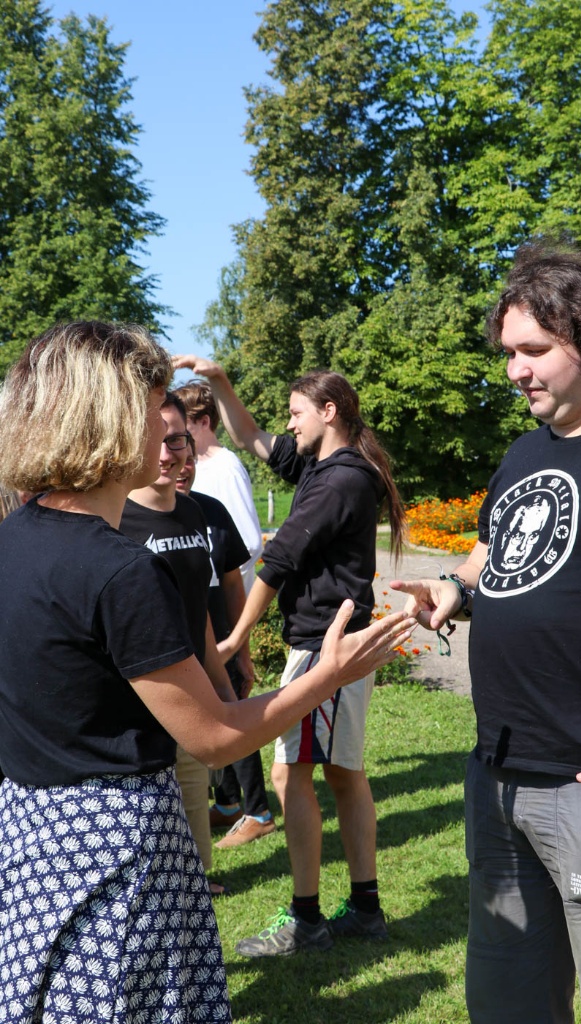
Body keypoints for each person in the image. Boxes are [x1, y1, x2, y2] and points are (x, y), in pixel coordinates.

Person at [0, 321, 414, 1022]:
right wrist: (328, 674)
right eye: (152, 411)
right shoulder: (117, 569)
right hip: (116, 857)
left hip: (32, 843)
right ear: (107, 419)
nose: (167, 432)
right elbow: (217, 739)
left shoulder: (17, 536)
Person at [392, 242, 581, 1024]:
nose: (515, 370)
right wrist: (453, 588)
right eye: (508, 354)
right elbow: (494, 551)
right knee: (506, 1005)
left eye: (533, 350)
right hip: (498, 782)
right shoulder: (526, 451)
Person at [172, 354, 405, 957]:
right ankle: (366, 908)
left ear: (330, 412)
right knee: (343, 773)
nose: (290, 424)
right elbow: (252, 437)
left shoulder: (338, 480)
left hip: (325, 646)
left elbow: (277, 562)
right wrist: (219, 380)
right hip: (335, 642)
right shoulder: (320, 464)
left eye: (298, 413)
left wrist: (233, 639)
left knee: (289, 773)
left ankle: (307, 920)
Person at [119, 390, 238, 888]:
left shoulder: (192, 513)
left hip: (193, 698)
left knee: (195, 845)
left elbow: (197, 607)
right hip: (138, 711)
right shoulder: (116, 520)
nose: (168, 454)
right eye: (159, 440)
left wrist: (222, 684)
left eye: (178, 441)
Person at [175, 439, 276, 848]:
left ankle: (258, 812)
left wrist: (242, 650)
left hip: (219, 634)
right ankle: (230, 803)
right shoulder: (140, 513)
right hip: (178, 639)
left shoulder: (211, 511)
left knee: (232, 716)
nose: (182, 467)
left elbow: (234, 585)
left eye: (189, 458)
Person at [173, 378, 263, 592]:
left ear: (204, 422)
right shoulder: (194, 466)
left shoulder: (225, 468)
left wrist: (217, 586)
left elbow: (249, 544)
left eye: (183, 422)